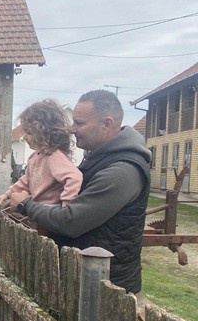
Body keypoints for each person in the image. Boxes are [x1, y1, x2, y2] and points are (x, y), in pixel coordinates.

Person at [9, 90, 151, 295]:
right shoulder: (97, 158)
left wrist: (26, 204)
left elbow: (71, 221)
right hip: (87, 279)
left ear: (107, 124)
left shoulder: (122, 170)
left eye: (80, 123)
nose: (71, 129)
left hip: (108, 288)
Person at [0, 99, 82, 218]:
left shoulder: (54, 156)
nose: (24, 137)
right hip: (36, 208)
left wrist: (66, 204)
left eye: (28, 132)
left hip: (50, 209)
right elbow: (25, 181)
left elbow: (74, 177)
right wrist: (6, 195)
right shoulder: (35, 156)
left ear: (43, 131)